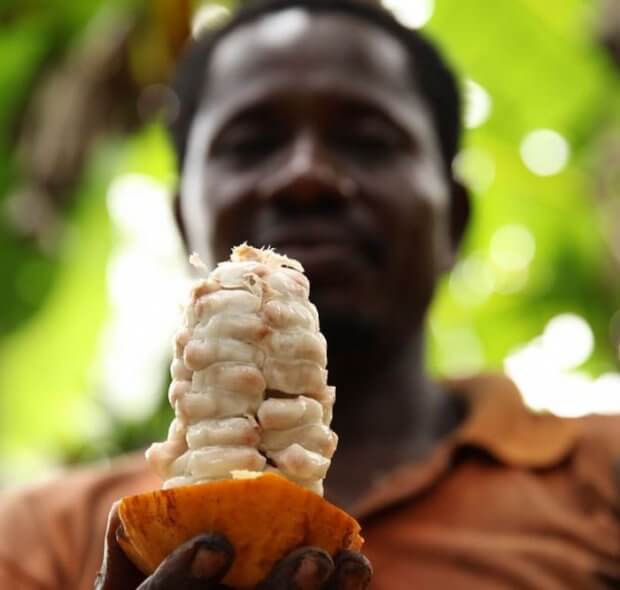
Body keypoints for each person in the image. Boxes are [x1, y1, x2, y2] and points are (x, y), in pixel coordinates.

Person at [1, 0, 619, 588]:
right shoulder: (39, 539)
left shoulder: (604, 475)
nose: (307, 176)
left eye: (369, 140)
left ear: (453, 220)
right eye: (250, 143)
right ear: (184, 220)